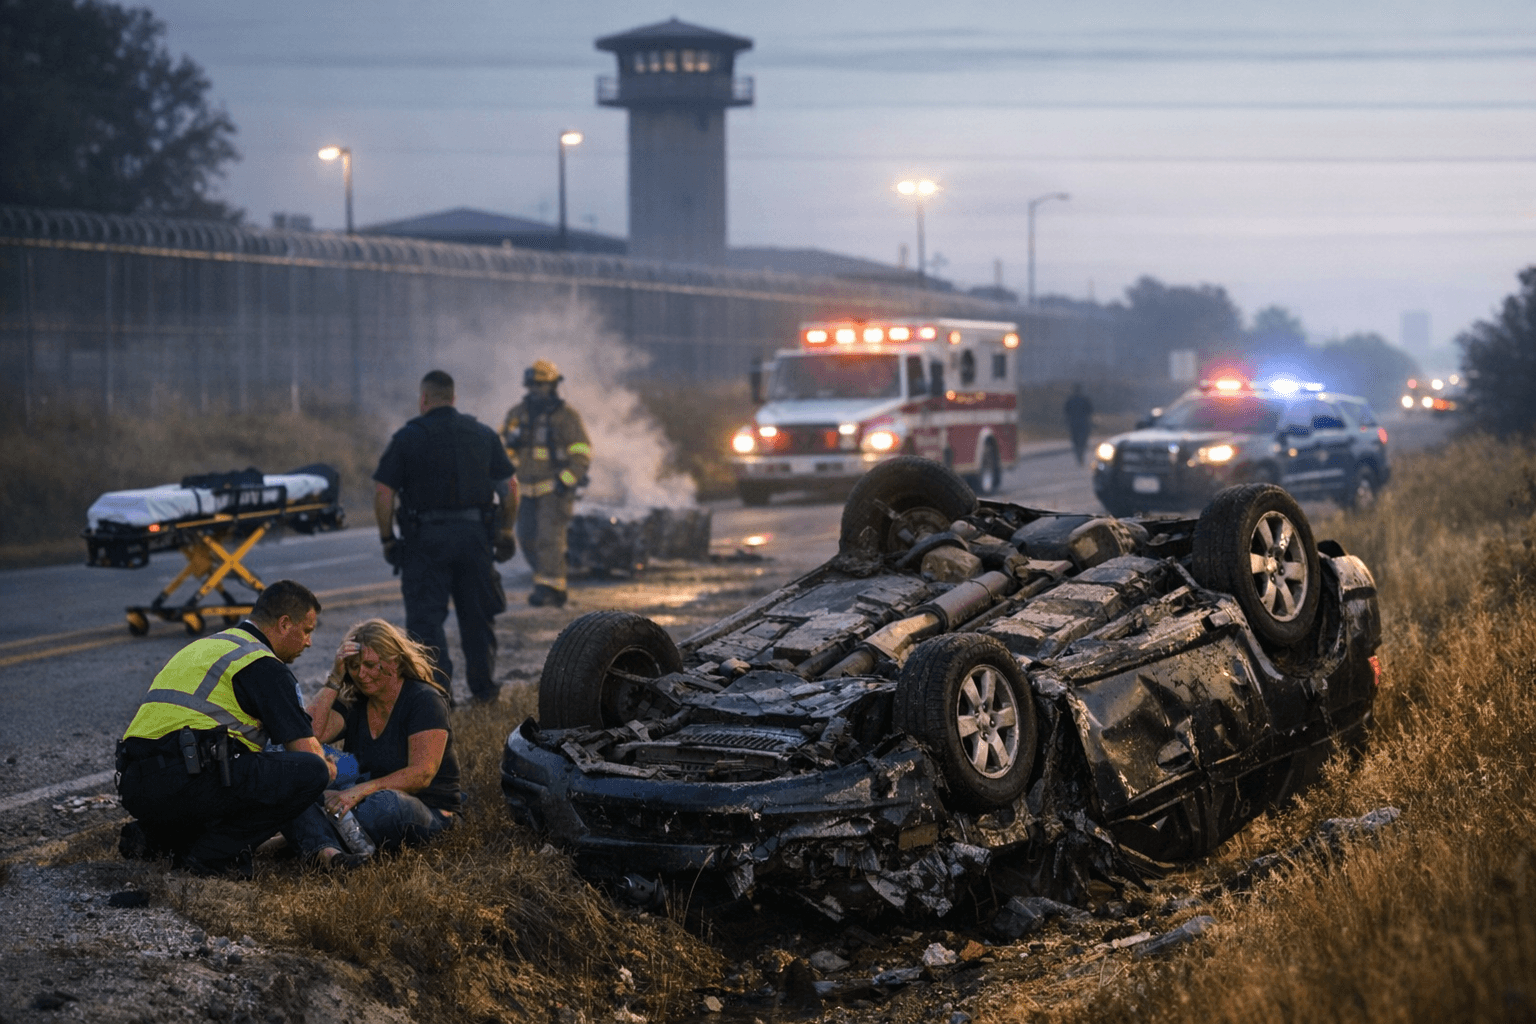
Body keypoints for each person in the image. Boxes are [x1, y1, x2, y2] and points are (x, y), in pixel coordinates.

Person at [115, 580, 335, 878]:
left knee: (235, 771)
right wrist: (330, 770)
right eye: (307, 630)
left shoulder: (206, 646)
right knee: (311, 772)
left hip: (135, 785)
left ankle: (158, 839)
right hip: (185, 780)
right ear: (285, 624)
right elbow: (305, 752)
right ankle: (211, 857)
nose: (308, 642)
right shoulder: (263, 664)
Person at [375, 369, 517, 704]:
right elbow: (510, 487)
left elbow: (384, 492)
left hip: (425, 541)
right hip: (476, 539)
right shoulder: (483, 434)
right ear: (453, 398)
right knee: (477, 616)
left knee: (427, 620)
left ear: (424, 399)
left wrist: (387, 540)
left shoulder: (408, 437)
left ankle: (439, 695)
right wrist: (506, 529)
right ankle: (484, 691)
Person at [285, 619, 461, 869]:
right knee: (298, 769)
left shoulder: (424, 700)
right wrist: (335, 678)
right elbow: (309, 733)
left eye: (370, 665)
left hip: (425, 809)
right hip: (362, 798)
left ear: (395, 662)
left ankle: (302, 838)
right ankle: (332, 854)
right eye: (354, 667)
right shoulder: (357, 700)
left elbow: (421, 774)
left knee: (385, 805)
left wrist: (357, 792)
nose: (362, 675)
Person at [500, 359, 592, 607]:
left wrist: (567, 479)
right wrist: (508, 466)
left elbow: (582, 452)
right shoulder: (516, 415)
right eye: (532, 385)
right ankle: (547, 582)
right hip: (525, 490)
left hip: (555, 489)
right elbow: (503, 448)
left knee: (549, 539)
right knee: (527, 537)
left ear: (552, 386)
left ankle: (550, 588)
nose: (535, 391)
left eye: (541, 386)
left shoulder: (566, 416)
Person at [1064, 383, 1094, 466]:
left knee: (1076, 441)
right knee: (1083, 440)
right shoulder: (1085, 399)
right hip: (1083, 422)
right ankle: (1080, 455)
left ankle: (1079, 456)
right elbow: (1090, 411)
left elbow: (1066, 412)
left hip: (1073, 423)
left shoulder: (1070, 400)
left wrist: (1067, 421)